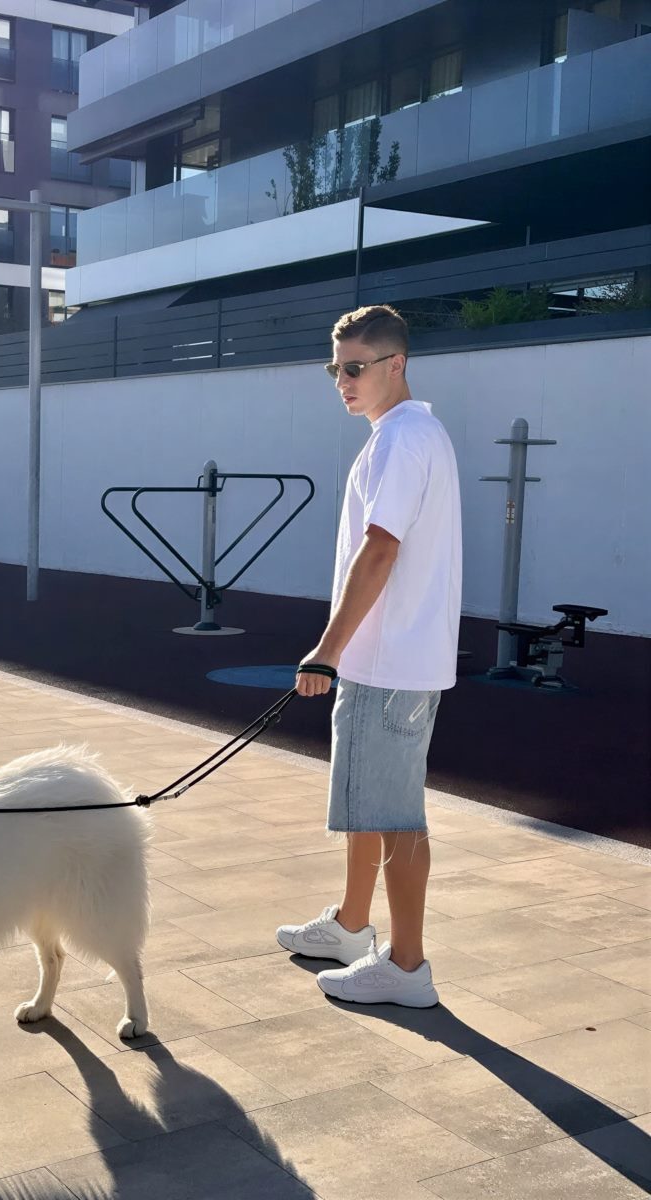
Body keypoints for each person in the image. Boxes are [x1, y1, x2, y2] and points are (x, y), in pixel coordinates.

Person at [276, 304, 462, 1008]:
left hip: (386, 665)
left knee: (394, 814)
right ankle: (354, 926)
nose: (341, 382)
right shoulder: (412, 434)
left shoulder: (402, 441)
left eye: (354, 368)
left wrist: (326, 650)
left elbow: (379, 549)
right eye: (335, 369)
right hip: (388, 661)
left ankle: (407, 968)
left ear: (395, 364)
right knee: (367, 803)